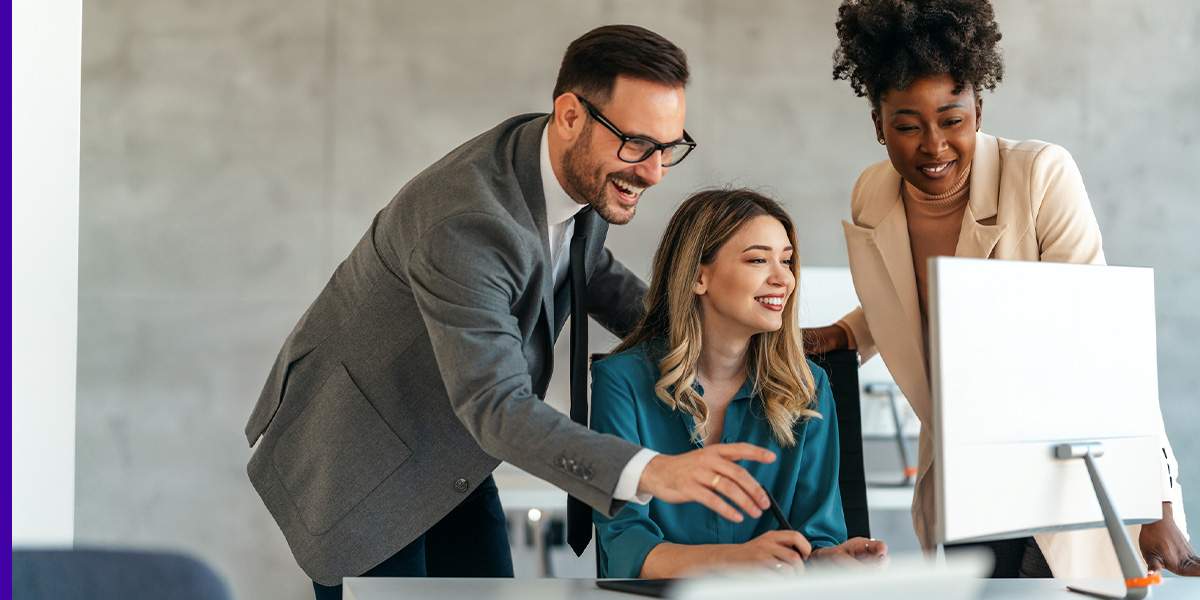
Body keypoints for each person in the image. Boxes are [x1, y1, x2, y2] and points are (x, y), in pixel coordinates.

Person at [244, 26, 781, 598]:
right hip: (362, 458)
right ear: (570, 115)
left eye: (669, 147)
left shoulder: (568, 165)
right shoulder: (468, 224)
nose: (653, 172)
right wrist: (652, 470)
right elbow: (496, 405)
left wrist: (727, 332)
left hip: (450, 442)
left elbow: (593, 272)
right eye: (638, 145)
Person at [807, 0, 1196, 578]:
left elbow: (1104, 340)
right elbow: (910, 293)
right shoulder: (872, 193)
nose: (933, 145)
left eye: (952, 119)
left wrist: (1155, 500)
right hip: (966, 478)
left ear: (979, 108)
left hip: (1061, 472)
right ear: (877, 123)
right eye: (907, 126)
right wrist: (848, 332)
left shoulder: (1040, 175)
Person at [591, 189, 888, 578]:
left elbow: (815, 538)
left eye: (787, 261)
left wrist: (827, 560)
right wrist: (737, 559)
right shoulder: (621, 382)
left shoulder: (809, 387)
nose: (784, 279)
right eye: (758, 260)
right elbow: (624, 548)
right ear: (699, 276)